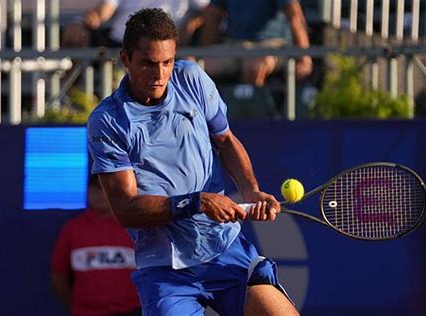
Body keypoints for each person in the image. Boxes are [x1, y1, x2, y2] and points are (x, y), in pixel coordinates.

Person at [87, 7, 299, 316]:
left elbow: (225, 140)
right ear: (125, 59)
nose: (160, 75)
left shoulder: (192, 78)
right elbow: (125, 209)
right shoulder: (108, 120)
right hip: (165, 269)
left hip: (225, 250)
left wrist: (250, 191)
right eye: (147, 63)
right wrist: (197, 203)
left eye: (167, 62)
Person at [50, 175, 141, 316]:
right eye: (95, 190)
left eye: (104, 189)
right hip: (86, 312)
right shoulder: (73, 228)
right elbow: (58, 274)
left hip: (132, 310)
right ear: (87, 192)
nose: (100, 195)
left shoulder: (133, 227)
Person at [200, 0, 313, 87]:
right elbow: (213, 14)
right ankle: (206, 114)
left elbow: (295, 15)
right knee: (198, 69)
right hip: (235, 45)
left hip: (272, 44)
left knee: (254, 67)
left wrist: (304, 59)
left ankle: (252, 112)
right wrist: (206, 52)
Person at [62, 0, 209, 48]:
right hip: (121, 44)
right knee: (75, 36)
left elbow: (209, 11)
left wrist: (193, 22)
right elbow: (102, 12)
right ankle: (60, 99)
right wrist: (79, 23)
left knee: (189, 66)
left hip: (165, 48)